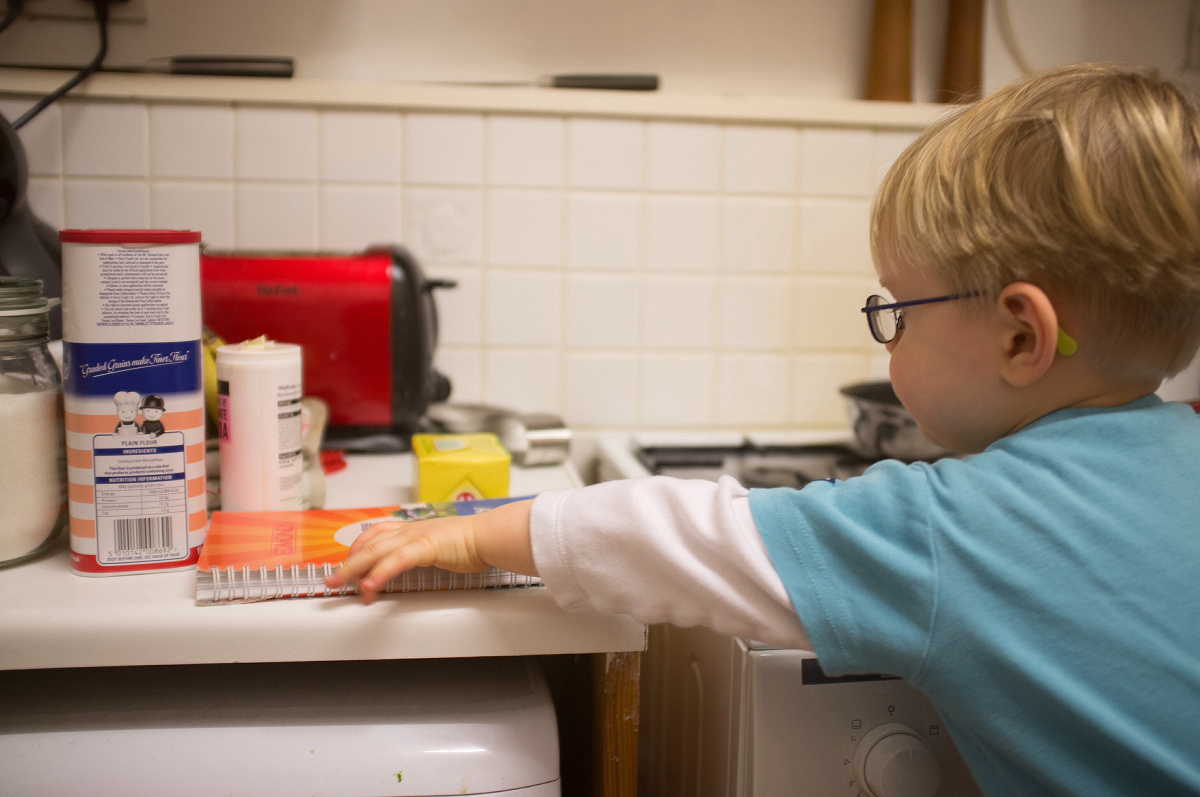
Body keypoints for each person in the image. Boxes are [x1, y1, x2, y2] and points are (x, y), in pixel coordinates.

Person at [327, 63, 1200, 796]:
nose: (889, 335)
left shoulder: (957, 529)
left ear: (1020, 337)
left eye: (900, 310)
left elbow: (686, 538)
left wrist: (476, 534)